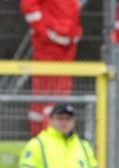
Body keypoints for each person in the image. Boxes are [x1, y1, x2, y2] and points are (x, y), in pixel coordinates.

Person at [20, 0, 83, 136]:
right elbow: (29, 6)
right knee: (45, 99)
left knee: (60, 97)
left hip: (67, 44)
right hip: (49, 46)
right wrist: (46, 33)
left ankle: (54, 139)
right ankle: (41, 139)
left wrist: (75, 33)